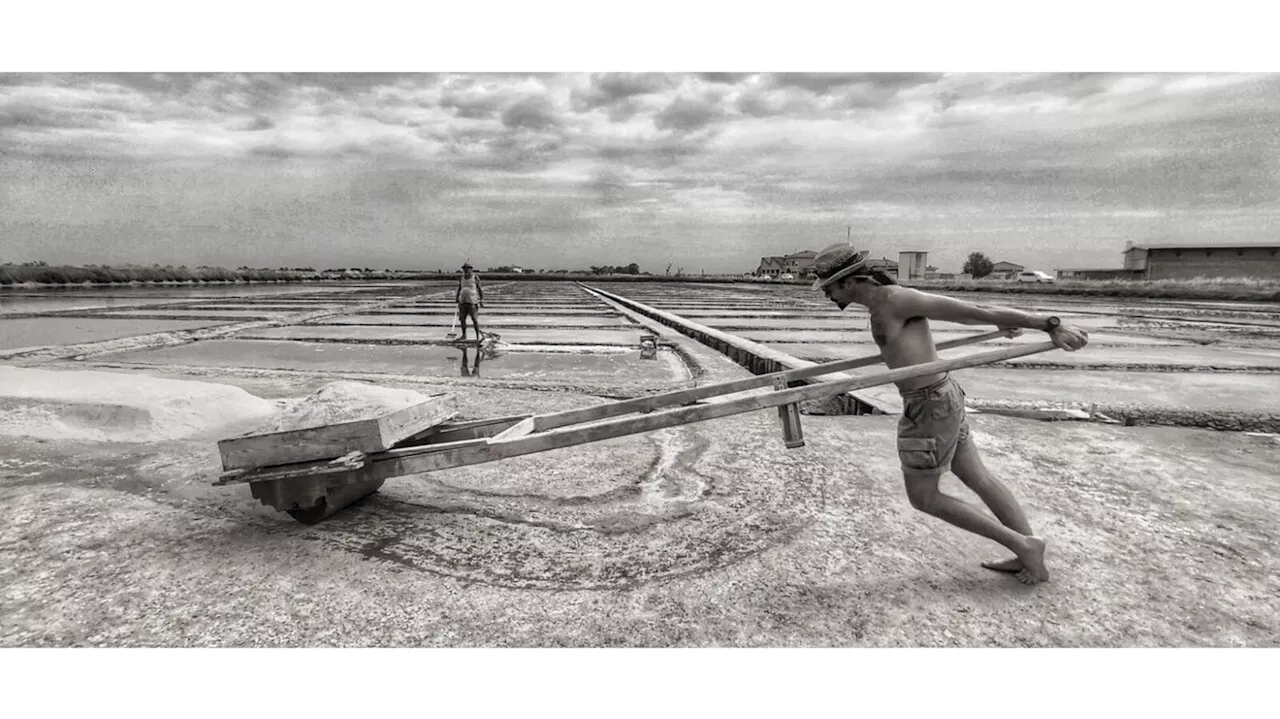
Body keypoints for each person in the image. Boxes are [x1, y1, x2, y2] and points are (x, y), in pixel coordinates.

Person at [811, 242, 1090, 585]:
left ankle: (1024, 546)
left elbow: (970, 309)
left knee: (923, 497)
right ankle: (1026, 553)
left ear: (848, 281)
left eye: (827, 287)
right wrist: (1002, 329)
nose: (825, 294)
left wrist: (1047, 324)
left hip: (929, 404)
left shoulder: (895, 299)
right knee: (979, 478)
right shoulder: (881, 305)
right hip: (939, 398)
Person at [456, 260, 484, 342]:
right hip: (463, 301)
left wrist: (481, 300)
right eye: (464, 269)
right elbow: (459, 288)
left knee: (474, 319)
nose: (465, 270)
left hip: (472, 301)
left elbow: (480, 289)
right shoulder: (461, 278)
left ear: (471, 269)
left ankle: (477, 336)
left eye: (467, 268)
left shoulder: (475, 277)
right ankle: (464, 335)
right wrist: (457, 298)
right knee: (462, 319)